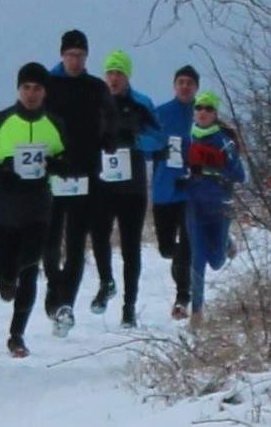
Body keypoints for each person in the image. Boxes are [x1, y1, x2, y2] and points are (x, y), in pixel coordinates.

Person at [0, 63, 68, 357]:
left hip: (37, 204)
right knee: (6, 273)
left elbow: (67, 160)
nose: (31, 93)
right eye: (26, 87)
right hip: (1, 201)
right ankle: (5, 283)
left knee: (29, 268)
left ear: (45, 92)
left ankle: (17, 336)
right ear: (18, 89)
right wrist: (2, 171)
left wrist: (55, 165)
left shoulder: (54, 123)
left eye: (37, 88)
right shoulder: (0, 120)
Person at [40, 30, 113, 337]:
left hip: (85, 175)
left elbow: (110, 124)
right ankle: (54, 291)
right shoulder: (49, 86)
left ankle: (66, 304)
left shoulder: (96, 88)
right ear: (62, 56)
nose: (75, 60)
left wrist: (112, 140)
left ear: (86, 58)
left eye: (80, 56)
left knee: (75, 243)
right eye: (70, 55)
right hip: (54, 174)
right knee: (50, 242)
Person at [88, 49, 162, 326]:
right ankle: (106, 282)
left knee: (131, 247)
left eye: (119, 73)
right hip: (104, 184)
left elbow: (159, 139)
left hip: (132, 187)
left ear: (127, 75)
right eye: (110, 73)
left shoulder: (141, 103)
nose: (114, 78)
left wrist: (136, 140)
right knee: (98, 237)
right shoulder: (96, 102)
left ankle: (129, 307)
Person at [179, 90, 245, 324]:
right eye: (199, 108)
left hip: (220, 205)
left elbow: (240, 175)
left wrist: (212, 166)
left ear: (215, 113)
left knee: (216, 261)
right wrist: (182, 178)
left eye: (208, 108)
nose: (203, 112)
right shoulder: (188, 138)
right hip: (194, 205)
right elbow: (177, 167)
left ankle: (227, 241)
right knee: (197, 258)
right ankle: (197, 312)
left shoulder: (224, 141)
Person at [148, 64, 201, 320]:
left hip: (190, 192)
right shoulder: (160, 114)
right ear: (174, 85)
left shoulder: (201, 115)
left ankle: (183, 297)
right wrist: (154, 151)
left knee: (187, 246)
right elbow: (144, 146)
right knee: (168, 249)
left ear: (196, 88)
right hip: (163, 191)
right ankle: (182, 267)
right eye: (181, 81)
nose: (185, 86)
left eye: (189, 83)